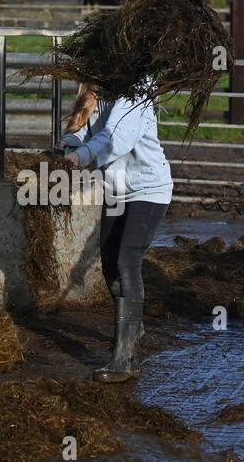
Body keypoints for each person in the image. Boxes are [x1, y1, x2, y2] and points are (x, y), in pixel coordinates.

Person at [62, 83, 173, 383]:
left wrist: (83, 156)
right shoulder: (101, 93)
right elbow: (88, 131)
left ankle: (124, 360)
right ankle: (133, 328)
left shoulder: (135, 93)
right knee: (110, 262)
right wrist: (69, 145)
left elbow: (116, 139)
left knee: (127, 261)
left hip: (148, 188)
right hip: (117, 190)